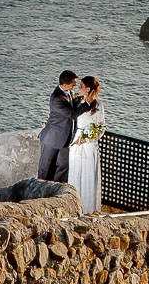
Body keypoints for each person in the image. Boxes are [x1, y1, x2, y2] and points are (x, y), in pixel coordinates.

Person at [37, 70, 82, 182]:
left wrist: (81, 97)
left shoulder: (69, 92)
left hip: (65, 139)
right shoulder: (57, 98)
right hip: (52, 137)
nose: (75, 86)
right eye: (73, 83)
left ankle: (57, 192)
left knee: (63, 167)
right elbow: (71, 114)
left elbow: (72, 104)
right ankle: (41, 193)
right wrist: (87, 105)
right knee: (46, 169)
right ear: (65, 85)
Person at [68, 75, 104, 213]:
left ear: (88, 89)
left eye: (81, 86)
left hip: (89, 146)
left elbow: (101, 128)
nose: (78, 88)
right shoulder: (77, 102)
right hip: (76, 141)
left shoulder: (99, 106)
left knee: (88, 176)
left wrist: (87, 138)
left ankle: (89, 208)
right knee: (75, 173)